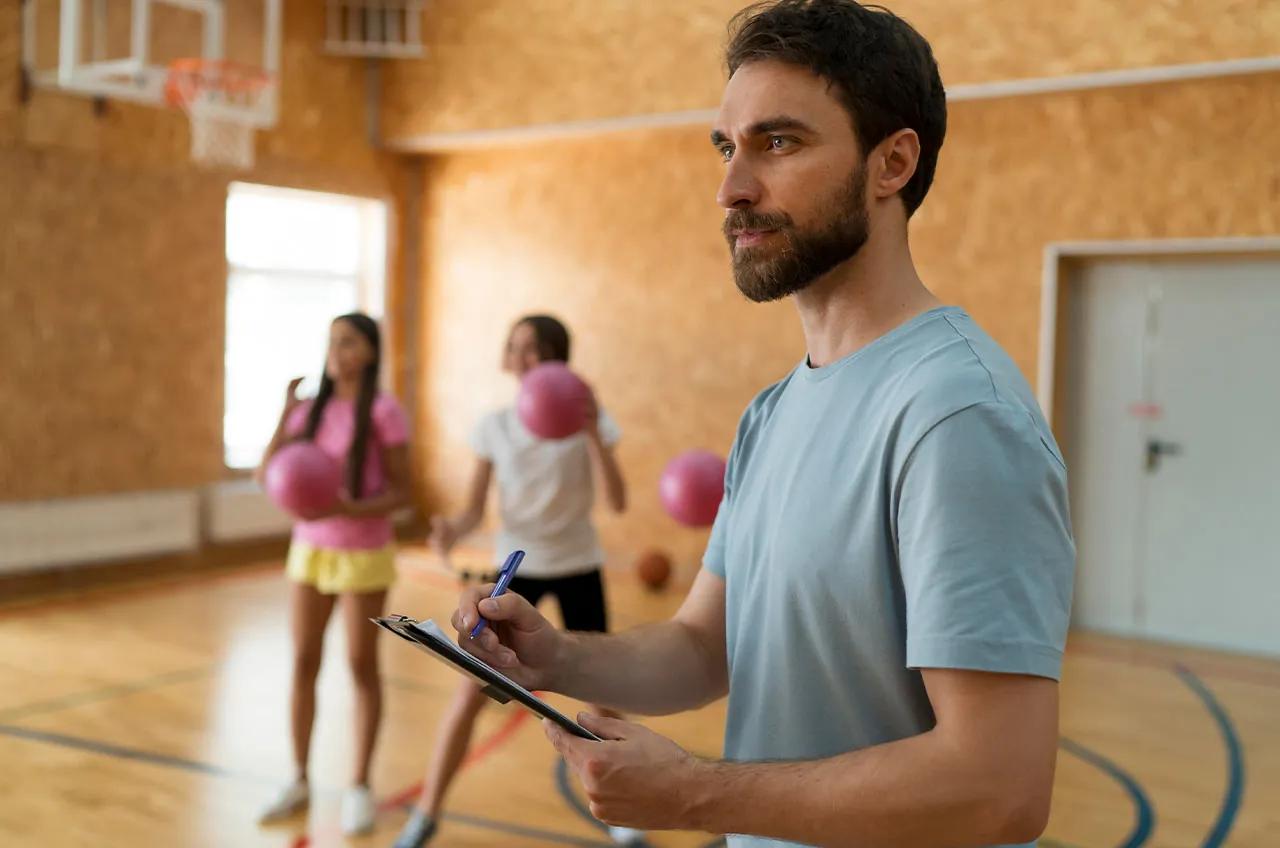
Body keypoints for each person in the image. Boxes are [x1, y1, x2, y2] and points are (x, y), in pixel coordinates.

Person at [448, 2, 1075, 846]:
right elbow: (704, 649)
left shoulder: (958, 416)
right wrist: (555, 659)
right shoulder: (773, 412)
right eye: (727, 146)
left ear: (891, 163)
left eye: (778, 143)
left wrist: (694, 795)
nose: (731, 188)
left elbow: (998, 788)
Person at [392, 314, 644, 848]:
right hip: (515, 570)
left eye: (535, 349)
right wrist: (450, 530)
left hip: (579, 565)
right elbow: (472, 511)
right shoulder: (496, 425)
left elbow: (619, 501)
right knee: (470, 694)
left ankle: (624, 815)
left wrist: (594, 430)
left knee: (601, 700)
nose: (522, 358)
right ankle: (427, 812)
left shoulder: (590, 425)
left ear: (558, 359)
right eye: (515, 348)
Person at [257, 313, 412, 837]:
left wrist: (350, 507)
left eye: (347, 342)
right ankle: (298, 778)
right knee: (304, 660)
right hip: (310, 550)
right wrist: (284, 412)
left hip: (363, 553)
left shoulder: (385, 411)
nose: (336, 351)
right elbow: (266, 475)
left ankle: (360, 786)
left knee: (360, 664)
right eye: (331, 341)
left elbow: (401, 493)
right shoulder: (308, 411)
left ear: (369, 352)